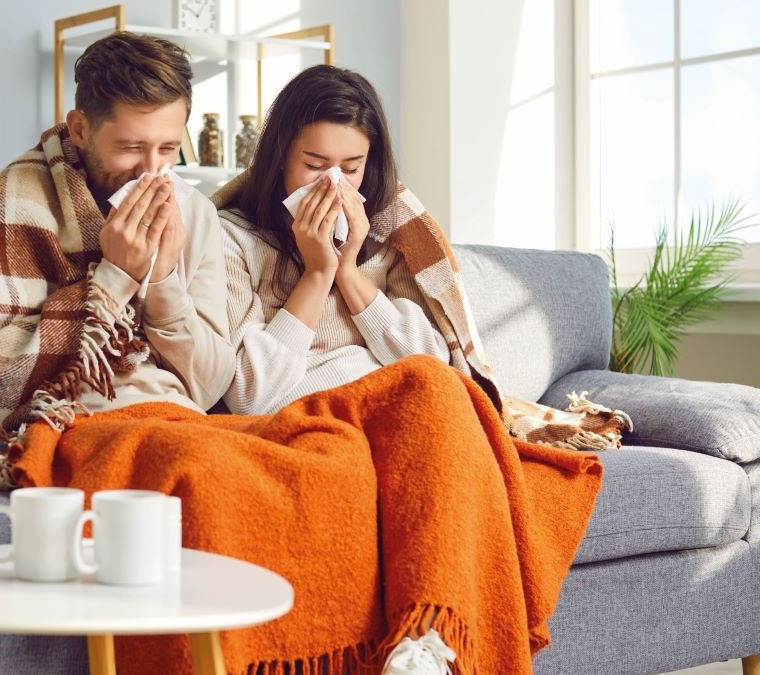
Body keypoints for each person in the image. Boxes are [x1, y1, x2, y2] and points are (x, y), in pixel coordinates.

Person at [207, 64, 623, 673]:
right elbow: (253, 396)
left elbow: (438, 366)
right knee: (421, 392)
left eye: (350, 170)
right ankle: (430, 638)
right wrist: (316, 274)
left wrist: (348, 271)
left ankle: (428, 639)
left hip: (407, 417)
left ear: (369, 169)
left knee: (433, 387)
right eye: (313, 165)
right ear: (277, 160)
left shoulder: (392, 245)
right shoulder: (230, 241)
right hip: (311, 425)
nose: (333, 186)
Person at [0, 33, 233, 490]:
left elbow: (209, 386)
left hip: (176, 420)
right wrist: (115, 277)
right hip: (63, 426)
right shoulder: (12, 203)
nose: (151, 171)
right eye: (129, 147)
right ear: (80, 128)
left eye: (168, 150)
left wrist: (162, 279)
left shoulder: (194, 213)